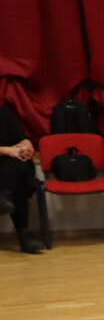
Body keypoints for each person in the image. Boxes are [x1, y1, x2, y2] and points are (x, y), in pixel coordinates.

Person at [0, 102, 43, 253]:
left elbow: (21, 137)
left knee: (21, 165)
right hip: (6, 166)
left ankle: (4, 195)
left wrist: (26, 146)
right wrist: (6, 150)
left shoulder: (3, 114)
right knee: (19, 177)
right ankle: (24, 236)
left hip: (6, 168)